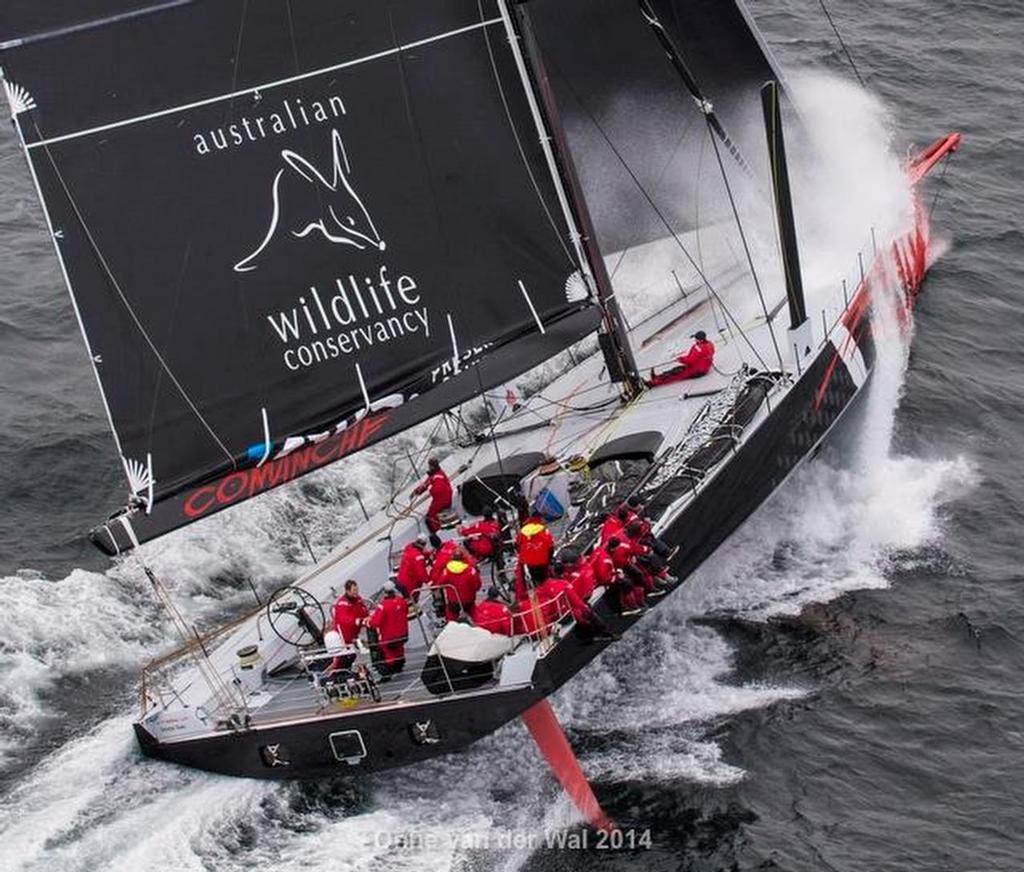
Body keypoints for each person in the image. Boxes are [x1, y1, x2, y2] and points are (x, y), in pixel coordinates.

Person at [365, 581, 409, 680]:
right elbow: (405, 611)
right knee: (398, 649)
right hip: (403, 635)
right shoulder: (401, 601)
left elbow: (375, 622)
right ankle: (399, 665)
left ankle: (388, 670)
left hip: (389, 638)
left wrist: (367, 622)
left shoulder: (383, 606)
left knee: (384, 649)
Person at [647, 330, 716, 386]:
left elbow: (690, 360)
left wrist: (681, 359)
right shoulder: (709, 344)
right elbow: (693, 357)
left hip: (696, 370)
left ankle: (653, 383)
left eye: (696, 339)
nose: (695, 340)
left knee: (676, 375)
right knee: (675, 370)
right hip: (701, 368)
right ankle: (657, 377)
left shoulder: (698, 348)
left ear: (700, 340)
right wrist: (682, 358)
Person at [412, 457, 453, 546]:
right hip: (444, 497)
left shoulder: (438, 477)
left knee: (429, 518)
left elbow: (437, 490)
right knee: (434, 516)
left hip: (441, 499)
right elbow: (426, 483)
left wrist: (430, 489)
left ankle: (438, 537)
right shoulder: (435, 474)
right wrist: (417, 491)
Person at [331, 579, 369, 670]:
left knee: (355, 653)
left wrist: (367, 617)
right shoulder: (342, 604)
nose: (356, 592)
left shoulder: (358, 599)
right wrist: (359, 621)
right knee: (343, 657)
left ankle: (353, 669)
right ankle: (336, 671)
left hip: (355, 633)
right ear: (347, 591)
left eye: (357, 590)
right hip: (345, 635)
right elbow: (345, 619)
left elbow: (362, 610)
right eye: (354, 590)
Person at [437, 551, 482, 621]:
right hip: (469, 600)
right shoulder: (471, 570)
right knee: (475, 614)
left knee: (451, 617)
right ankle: (480, 625)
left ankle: (451, 627)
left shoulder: (446, 571)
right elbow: (478, 586)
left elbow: (440, 583)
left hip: (453, 601)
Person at [517, 516, 555, 583]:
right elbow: (551, 546)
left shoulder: (522, 533)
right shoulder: (544, 532)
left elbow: (518, 544)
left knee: (535, 577)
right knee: (544, 577)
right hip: (542, 560)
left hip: (528, 561)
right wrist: (550, 559)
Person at [396, 534, 432, 600]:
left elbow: (419, 555)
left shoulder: (409, 547)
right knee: (412, 603)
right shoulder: (418, 557)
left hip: (400, 580)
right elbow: (421, 573)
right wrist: (430, 582)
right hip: (410, 585)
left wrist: (429, 554)